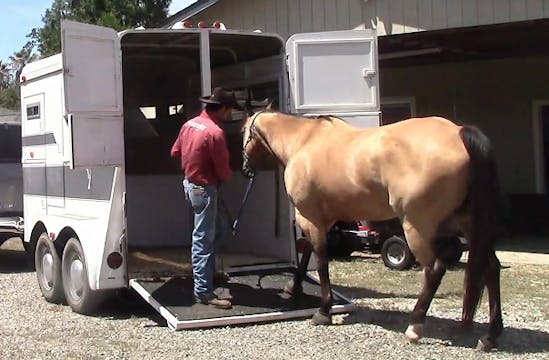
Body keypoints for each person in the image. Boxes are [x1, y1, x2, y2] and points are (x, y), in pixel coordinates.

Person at [170, 87, 243, 309]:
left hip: (191, 185)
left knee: (219, 229)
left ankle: (208, 274)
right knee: (203, 238)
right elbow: (222, 170)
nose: (230, 115)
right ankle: (203, 290)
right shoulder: (215, 133)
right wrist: (233, 175)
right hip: (205, 189)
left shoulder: (189, 125)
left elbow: (175, 152)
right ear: (221, 109)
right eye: (229, 110)